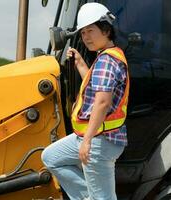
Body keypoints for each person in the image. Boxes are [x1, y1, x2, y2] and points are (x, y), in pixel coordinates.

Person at [42, 2, 129, 200]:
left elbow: (102, 103)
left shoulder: (106, 61)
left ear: (106, 31)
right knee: (51, 157)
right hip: (95, 136)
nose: (86, 37)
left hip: (100, 139)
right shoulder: (105, 58)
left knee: (103, 197)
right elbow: (96, 85)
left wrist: (87, 141)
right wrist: (81, 64)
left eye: (91, 31)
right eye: (83, 33)